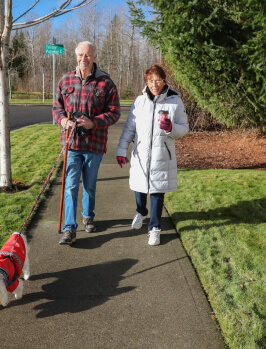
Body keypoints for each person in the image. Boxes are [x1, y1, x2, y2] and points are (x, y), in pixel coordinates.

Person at [52, 41, 120, 245]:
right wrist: (63, 121)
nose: (84, 59)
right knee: (71, 186)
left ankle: (88, 215)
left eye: (88, 55)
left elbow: (115, 112)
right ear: (75, 55)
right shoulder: (65, 80)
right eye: (80, 55)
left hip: (94, 145)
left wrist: (94, 122)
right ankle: (69, 229)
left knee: (89, 185)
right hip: (72, 144)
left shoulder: (106, 82)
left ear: (95, 57)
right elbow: (57, 107)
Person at [116, 64, 188, 246]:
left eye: (157, 80)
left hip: (162, 155)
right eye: (150, 81)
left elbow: (184, 128)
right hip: (141, 154)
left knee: (157, 192)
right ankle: (141, 212)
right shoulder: (139, 102)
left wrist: (171, 128)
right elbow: (129, 129)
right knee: (139, 188)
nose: (154, 84)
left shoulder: (175, 102)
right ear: (146, 82)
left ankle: (155, 228)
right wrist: (121, 150)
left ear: (164, 81)